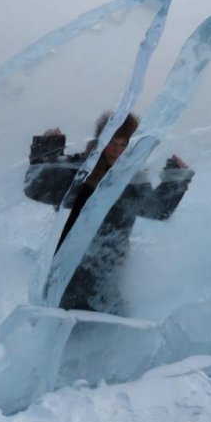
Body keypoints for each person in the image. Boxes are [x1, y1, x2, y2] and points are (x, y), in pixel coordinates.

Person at [24, 112, 194, 314]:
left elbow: (157, 210)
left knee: (106, 333)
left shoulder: (131, 177)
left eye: (124, 145)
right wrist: (48, 149)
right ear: (101, 139)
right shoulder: (79, 170)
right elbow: (36, 189)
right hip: (69, 274)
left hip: (107, 277)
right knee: (66, 333)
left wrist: (175, 177)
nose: (117, 150)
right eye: (113, 142)